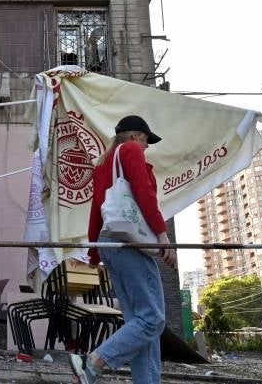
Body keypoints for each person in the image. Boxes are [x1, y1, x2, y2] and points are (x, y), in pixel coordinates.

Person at [69, 115, 176, 384]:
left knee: (140, 324)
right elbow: (143, 193)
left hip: (109, 242)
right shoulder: (130, 151)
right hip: (129, 243)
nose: (147, 146)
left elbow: (96, 210)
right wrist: (164, 238)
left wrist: (94, 252)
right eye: (146, 140)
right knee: (152, 320)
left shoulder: (103, 163)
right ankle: (93, 362)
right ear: (134, 136)